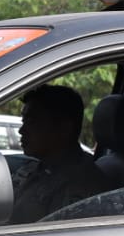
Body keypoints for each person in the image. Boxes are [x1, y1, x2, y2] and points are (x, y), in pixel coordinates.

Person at [11, 84, 110, 223]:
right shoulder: (40, 168)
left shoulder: (80, 186)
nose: (22, 130)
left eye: (32, 121)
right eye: (24, 121)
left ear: (64, 128)